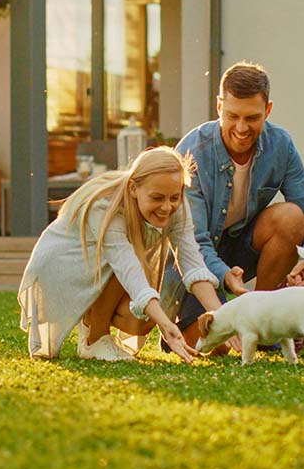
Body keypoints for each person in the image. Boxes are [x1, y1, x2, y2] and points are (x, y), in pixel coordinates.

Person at [161, 61, 304, 350]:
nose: (241, 127)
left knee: (291, 217)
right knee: (218, 345)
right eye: (232, 115)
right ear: (219, 105)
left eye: (252, 118)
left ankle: (264, 321)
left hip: (241, 247)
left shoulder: (281, 145)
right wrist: (224, 275)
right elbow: (194, 243)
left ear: (268, 110)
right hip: (192, 259)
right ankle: (187, 324)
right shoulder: (191, 151)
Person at [18, 146, 225, 363]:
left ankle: (92, 324)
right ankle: (94, 339)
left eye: (174, 197)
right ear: (134, 188)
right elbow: (127, 268)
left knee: (141, 321)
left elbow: (193, 265)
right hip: (62, 266)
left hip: (103, 266)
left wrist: (225, 319)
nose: (167, 207)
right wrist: (167, 324)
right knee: (132, 276)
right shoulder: (106, 207)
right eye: (157, 198)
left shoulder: (176, 204)